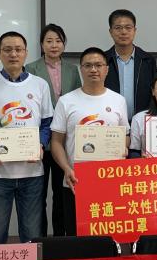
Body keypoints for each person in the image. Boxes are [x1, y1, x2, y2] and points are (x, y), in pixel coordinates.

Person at [0, 32, 53, 245]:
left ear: (26, 53)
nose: (13, 54)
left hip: (32, 172)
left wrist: (40, 145)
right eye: (7, 50)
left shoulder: (40, 85)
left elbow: (47, 124)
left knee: (32, 234)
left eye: (18, 49)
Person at [50, 47, 130, 236]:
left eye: (98, 65)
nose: (93, 69)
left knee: (109, 237)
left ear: (106, 69)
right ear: (81, 69)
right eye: (88, 65)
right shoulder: (66, 101)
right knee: (77, 237)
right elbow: (56, 142)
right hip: (76, 180)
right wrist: (66, 169)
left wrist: (123, 148)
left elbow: (125, 135)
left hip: (109, 180)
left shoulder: (118, 100)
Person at [27, 24, 82, 236]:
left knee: (61, 193)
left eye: (58, 41)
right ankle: (40, 237)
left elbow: (77, 99)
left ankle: (60, 236)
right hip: (39, 139)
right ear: (41, 44)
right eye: (49, 41)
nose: (54, 45)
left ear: (64, 44)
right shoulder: (31, 68)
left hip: (63, 140)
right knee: (38, 194)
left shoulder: (72, 69)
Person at [104, 9, 157, 116]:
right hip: (110, 120)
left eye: (128, 27)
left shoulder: (147, 60)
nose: (123, 32)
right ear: (110, 32)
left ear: (134, 30)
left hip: (141, 120)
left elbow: (154, 93)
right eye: (118, 28)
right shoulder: (103, 61)